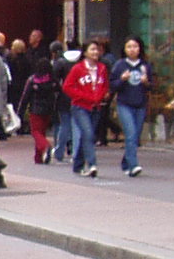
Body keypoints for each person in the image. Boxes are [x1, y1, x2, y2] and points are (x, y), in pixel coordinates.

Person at [60, 40, 109, 176]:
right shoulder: (78, 68)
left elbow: (105, 85)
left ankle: (78, 164)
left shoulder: (102, 68)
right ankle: (92, 164)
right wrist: (83, 96)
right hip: (80, 107)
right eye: (92, 49)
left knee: (86, 136)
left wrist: (101, 96)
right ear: (85, 52)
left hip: (96, 107)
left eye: (97, 49)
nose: (95, 52)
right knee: (88, 134)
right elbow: (67, 86)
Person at [109, 37, 154, 176]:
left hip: (140, 104)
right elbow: (112, 85)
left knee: (135, 136)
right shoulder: (120, 65)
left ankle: (126, 162)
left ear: (140, 48)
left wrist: (146, 82)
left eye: (135, 46)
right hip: (124, 104)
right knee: (130, 133)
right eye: (129, 47)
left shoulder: (145, 65)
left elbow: (151, 86)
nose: (132, 50)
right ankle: (134, 165)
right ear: (124, 49)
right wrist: (122, 80)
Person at [20, 47, 61, 163]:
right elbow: (59, 90)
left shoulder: (33, 80)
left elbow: (25, 97)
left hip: (35, 109)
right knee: (41, 132)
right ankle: (38, 157)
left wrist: (20, 111)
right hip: (48, 109)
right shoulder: (52, 80)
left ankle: (46, 146)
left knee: (35, 132)